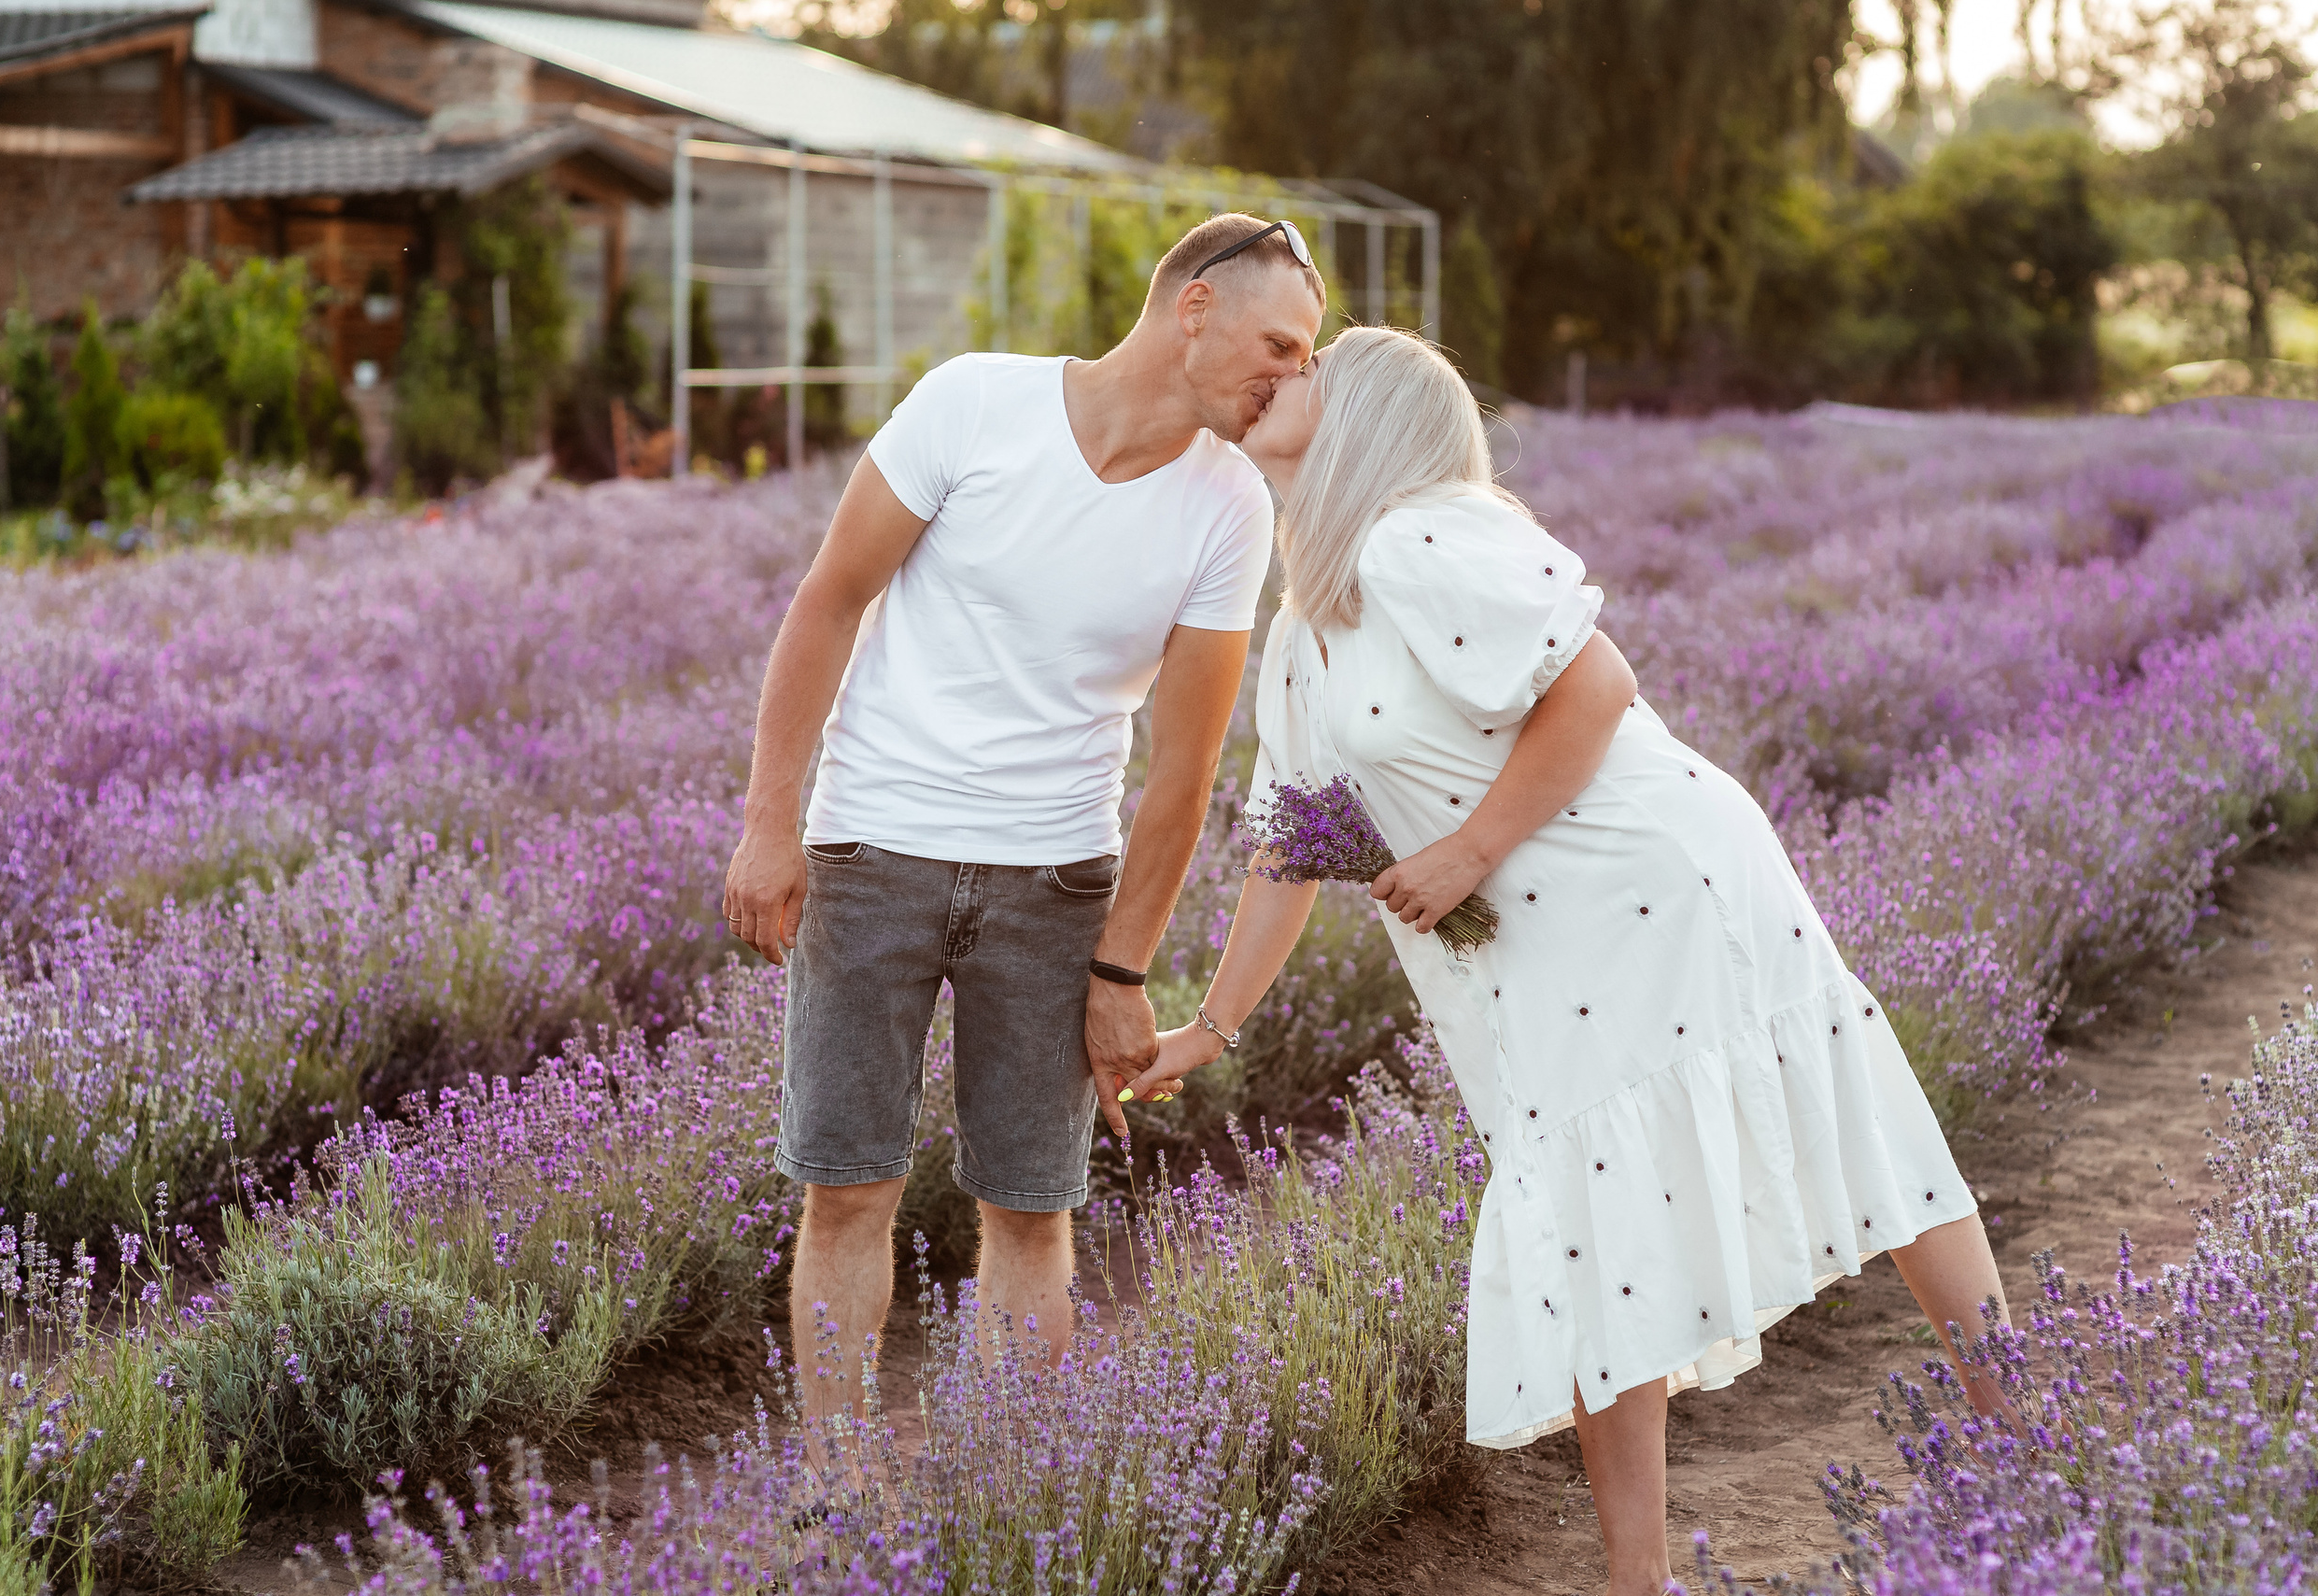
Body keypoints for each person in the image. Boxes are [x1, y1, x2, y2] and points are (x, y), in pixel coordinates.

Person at [1124, 327, 2014, 1596]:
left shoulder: (1421, 533)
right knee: (1599, 1233)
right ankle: (1638, 1578)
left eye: (1307, 371)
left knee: (1863, 1136)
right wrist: (1208, 1026)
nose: (1275, 382)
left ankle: (2020, 1435)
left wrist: (1468, 848)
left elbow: (1596, 684)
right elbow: (1287, 846)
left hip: (1653, 881)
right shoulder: (1304, 629)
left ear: (1366, 417)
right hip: (1535, 951)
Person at [720, 215, 1328, 1448]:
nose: (1294, 376)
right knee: (847, 1191)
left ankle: (1006, 1495)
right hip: (870, 850)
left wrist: (1121, 963)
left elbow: (1186, 765)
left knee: (1032, 1210)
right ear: (1195, 309)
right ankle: (840, 1491)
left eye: (1308, 357)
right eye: (1281, 342)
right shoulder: (969, 406)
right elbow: (829, 599)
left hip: (1052, 885)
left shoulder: (1229, 511)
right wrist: (769, 825)